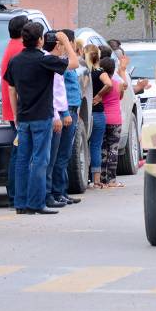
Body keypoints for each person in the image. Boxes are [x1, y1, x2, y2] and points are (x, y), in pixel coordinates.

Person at [3, 23, 73, 215]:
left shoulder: (15, 60)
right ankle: (36, 202)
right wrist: (66, 42)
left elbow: (11, 87)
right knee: (41, 160)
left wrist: (16, 114)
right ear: (40, 40)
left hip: (24, 117)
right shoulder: (45, 59)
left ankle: (20, 202)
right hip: (42, 116)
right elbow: (73, 64)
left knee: (23, 160)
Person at [50, 31, 83, 206]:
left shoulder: (63, 60)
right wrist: (65, 113)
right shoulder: (60, 61)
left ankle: (61, 190)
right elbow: (58, 90)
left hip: (71, 108)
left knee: (65, 152)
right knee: (61, 153)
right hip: (65, 110)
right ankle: (57, 191)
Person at [0, 14, 29, 209]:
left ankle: (16, 194)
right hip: (19, 109)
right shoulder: (19, 50)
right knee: (20, 154)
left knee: (19, 152)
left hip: (13, 108)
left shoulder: (11, 47)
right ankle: (15, 195)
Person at [99, 56, 128, 188]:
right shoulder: (118, 84)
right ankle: (112, 180)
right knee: (113, 150)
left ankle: (102, 179)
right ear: (113, 69)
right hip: (115, 120)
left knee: (102, 149)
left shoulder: (102, 85)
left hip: (102, 118)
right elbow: (120, 97)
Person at [86, 45, 109, 189]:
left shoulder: (83, 72)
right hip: (98, 113)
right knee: (95, 145)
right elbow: (109, 84)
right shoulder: (100, 72)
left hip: (85, 113)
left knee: (84, 145)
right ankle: (96, 179)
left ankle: (84, 176)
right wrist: (100, 95)